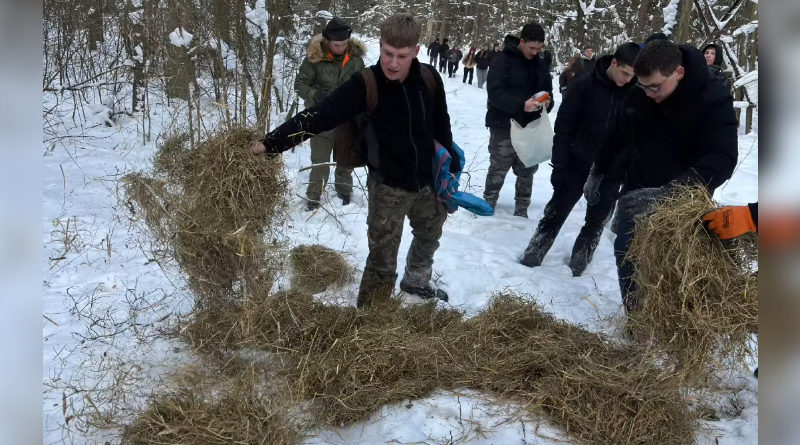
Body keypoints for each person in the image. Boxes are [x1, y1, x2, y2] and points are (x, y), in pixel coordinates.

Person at [250, 14, 460, 308]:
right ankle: (370, 320)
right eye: (387, 53)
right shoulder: (365, 84)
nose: (393, 63)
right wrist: (271, 143)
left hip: (428, 183)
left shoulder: (429, 78)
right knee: (381, 263)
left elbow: (442, 125)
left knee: (429, 236)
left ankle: (416, 280)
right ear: (380, 45)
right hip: (388, 188)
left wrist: (448, 170)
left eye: (402, 56)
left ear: (416, 51)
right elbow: (319, 115)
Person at [583, 39, 738, 312]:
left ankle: (674, 323)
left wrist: (669, 193)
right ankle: (638, 318)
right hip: (640, 186)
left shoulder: (712, 98)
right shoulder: (642, 92)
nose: (648, 94)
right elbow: (617, 133)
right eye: (643, 86)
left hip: (685, 196)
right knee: (627, 251)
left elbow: (722, 158)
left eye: (655, 87)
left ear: (678, 73)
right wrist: (599, 169)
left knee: (674, 264)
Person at [521, 42, 642, 276]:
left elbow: (636, 135)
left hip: (611, 171)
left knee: (597, 222)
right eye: (625, 73)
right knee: (556, 212)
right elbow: (564, 126)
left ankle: (579, 263)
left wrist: (627, 167)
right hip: (577, 163)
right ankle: (534, 254)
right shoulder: (585, 84)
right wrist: (559, 164)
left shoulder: (635, 93)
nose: (628, 79)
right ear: (614, 63)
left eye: (633, 76)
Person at [294, 17, 366, 210]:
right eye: (336, 44)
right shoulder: (314, 58)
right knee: (320, 163)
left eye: (344, 44)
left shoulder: (356, 60)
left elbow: (364, 86)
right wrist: (315, 95)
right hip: (321, 119)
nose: (341, 47)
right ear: (327, 41)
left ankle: (345, 197)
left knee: (345, 162)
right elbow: (300, 84)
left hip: (347, 121)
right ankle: (313, 200)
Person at [483, 24, 554, 217]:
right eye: (532, 48)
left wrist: (547, 102)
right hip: (503, 124)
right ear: (522, 42)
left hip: (531, 126)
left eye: (539, 49)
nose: (535, 52)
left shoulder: (540, 64)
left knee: (527, 167)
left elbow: (549, 92)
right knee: (499, 165)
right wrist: (521, 105)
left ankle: (522, 208)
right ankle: (488, 203)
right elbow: (495, 93)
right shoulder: (502, 60)